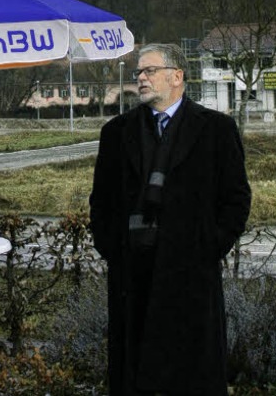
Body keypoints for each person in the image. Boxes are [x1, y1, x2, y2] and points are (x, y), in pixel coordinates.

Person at [90, 43, 251, 396]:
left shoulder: (216, 129)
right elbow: (100, 203)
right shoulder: (117, 133)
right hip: (133, 278)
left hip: (191, 278)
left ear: (177, 76)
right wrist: (114, 251)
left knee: (191, 375)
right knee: (134, 373)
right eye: (138, 73)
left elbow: (236, 199)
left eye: (149, 71)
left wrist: (209, 248)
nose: (141, 78)